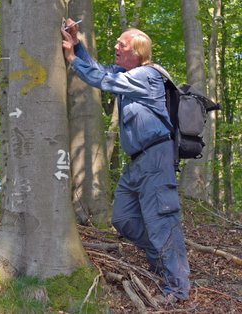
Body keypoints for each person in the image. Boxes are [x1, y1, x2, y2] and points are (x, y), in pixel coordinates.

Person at [61, 20, 190, 302]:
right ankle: (160, 261)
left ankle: (178, 288)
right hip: (137, 161)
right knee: (122, 218)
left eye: (122, 44)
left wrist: (71, 58)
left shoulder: (147, 76)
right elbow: (100, 71)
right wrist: (78, 44)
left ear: (138, 51)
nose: (116, 47)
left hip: (156, 156)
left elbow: (103, 80)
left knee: (161, 222)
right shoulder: (126, 74)